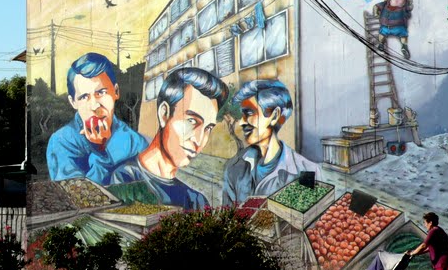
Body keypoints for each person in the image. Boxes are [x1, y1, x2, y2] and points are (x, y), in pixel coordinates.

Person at [110, 67, 227, 209]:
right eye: (191, 121)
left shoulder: (197, 200)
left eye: (208, 128)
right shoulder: (125, 180)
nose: (199, 140)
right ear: (164, 114)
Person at [46, 52, 147, 185]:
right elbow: (77, 195)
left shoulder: (135, 142)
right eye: (84, 97)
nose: (94, 106)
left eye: (101, 92)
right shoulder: (62, 142)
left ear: (116, 92)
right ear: (73, 102)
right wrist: (101, 154)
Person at [221, 79, 320, 206]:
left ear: (274, 116)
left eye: (249, 113)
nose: (241, 122)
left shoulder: (306, 171)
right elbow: (227, 216)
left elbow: (308, 215)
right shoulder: (234, 168)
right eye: (242, 115)